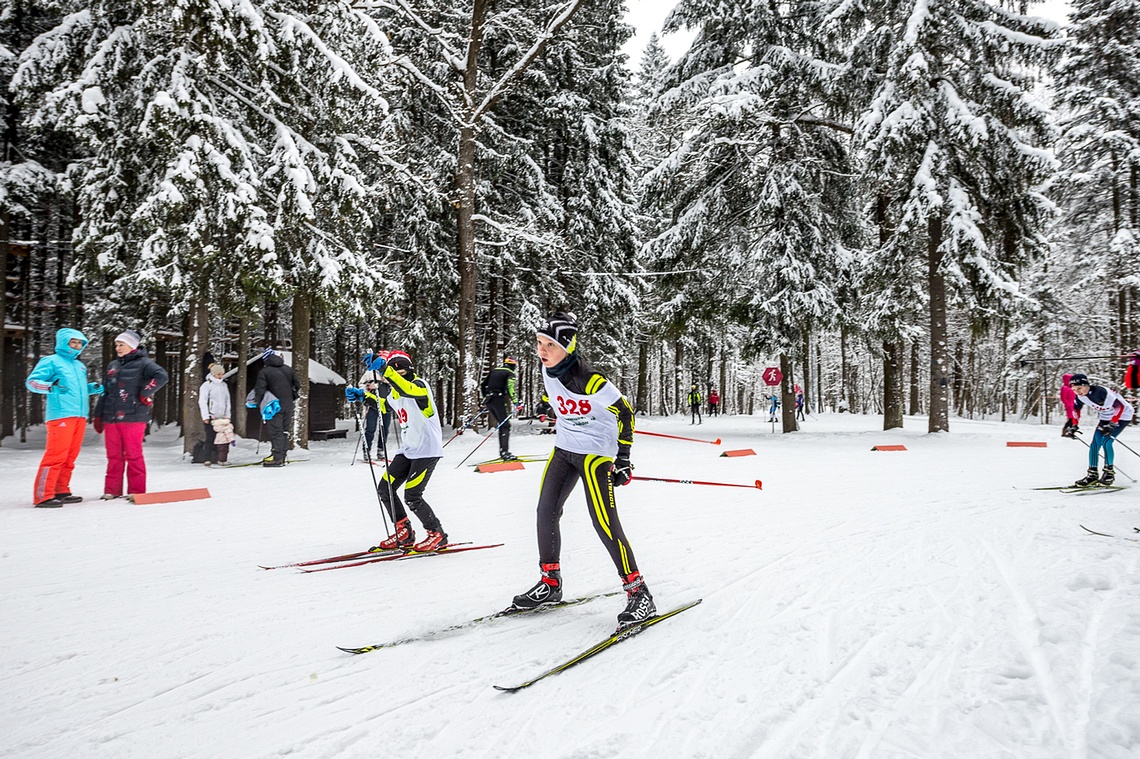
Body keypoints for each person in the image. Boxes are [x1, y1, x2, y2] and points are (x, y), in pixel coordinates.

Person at [512, 311, 655, 627]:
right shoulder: (547, 368)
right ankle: (550, 584)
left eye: (549, 344)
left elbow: (625, 413)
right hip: (565, 449)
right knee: (545, 511)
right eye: (539, 343)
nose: (542, 351)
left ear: (568, 345)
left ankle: (639, 592)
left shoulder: (591, 379)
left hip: (595, 454)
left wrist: (623, 459)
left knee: (603, 520)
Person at [368, 350, 449, 552]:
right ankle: (404, 530)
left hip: (427, 450)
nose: (390, 378)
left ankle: (437, 534)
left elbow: (407, 389)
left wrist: (387, 369)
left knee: (413, 496)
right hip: (408, 450)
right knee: (385, 488)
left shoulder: (420, 386)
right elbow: (385, 406)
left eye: (397, 372)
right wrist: (363, 396)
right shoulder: (396, 392)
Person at [25, 328, 103, 507]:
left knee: (70, 456)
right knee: (55, 455)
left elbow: (76, 388)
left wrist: (92, 388)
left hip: (80, 416)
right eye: (73, 342)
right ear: (63, 342)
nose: (76, 346)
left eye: (80, 343)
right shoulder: (50, 361)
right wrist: (50, 387)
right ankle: (43, 495)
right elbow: (32, 382)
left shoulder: (79, 365)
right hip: (60, 415)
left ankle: (61, 490)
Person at [95, 330, 169, 498]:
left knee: (133, 455)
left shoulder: (144, 363)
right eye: (116, 345)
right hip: (111, 418)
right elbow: (105, 391)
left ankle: (136, 491)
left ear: (132, 346)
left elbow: (162, 376)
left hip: (134, 417)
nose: (118, 348)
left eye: (122, 345)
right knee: (113, 456)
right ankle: (111, 491)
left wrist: (144, 393)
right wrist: (98, 415)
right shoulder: (113, 365)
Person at [1069, 373, 1134, 487]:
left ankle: (1109, 474)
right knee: (1094, 444)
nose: (1077, 392)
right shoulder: (1081, 396)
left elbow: (1119, 407)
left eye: (1079, 388)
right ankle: (1092, 475)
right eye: (1074, 390)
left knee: (1106, 441)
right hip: (1106, 417)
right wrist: (1074, 425)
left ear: (1086, 385)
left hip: (1122, 415)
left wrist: (1113, 423)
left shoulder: (1100, 392)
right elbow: (1075, 410)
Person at [252, 347, 300, 467]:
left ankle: (276, 458)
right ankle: (282, 455)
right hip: (288, 404)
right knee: (284, 430)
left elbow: (260, 388)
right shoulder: (288, 369)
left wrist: (257, 402)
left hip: (273, 405)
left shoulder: (264, 371)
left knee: (275, 431)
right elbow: (297, 385)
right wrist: (291, 396)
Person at [481, 355, 521, 460]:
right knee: (505, 425)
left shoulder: (494, 371)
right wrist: (516, 403)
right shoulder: (510, 373)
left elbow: (482, 385)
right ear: (513, 366)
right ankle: (505, 452)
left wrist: (485, 397)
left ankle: (503, 451)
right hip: (498, 400)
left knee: (502, 424)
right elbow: (510, 388)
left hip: (489, 400)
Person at [358, 351, 392, 461]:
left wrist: (387, 382)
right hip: (372, 405)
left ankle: (380, 451)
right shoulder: (370, 372)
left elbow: (396, 386)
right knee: (370, 429)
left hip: (386, 405)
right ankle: (366, 451)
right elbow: (360, 385)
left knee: (385, 429)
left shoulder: (389, 372)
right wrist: (369, 386)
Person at [198, 362, 232, 465]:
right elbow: (202, 401)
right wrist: (205, 415)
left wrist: (228, 414)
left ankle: (221, 458)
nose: (220, 376)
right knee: (210, 437)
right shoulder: (207, 385)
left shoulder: (223, 385)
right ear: (213, 374)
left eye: (222, 374)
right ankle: (207, 458)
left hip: (222, 417)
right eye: (218, 374)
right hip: (211, 415)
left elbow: (227, 400)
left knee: (223, 438)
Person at [1060, 373, 1080, 438]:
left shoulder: (1072, 387)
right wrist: (1067, 404)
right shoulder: (1065, 388)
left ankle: (1070, 431)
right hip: (1069, 405)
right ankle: (1065, 431)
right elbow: (1063, 397)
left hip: (1073, 404)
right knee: (1071, 418)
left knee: (1073, 418)